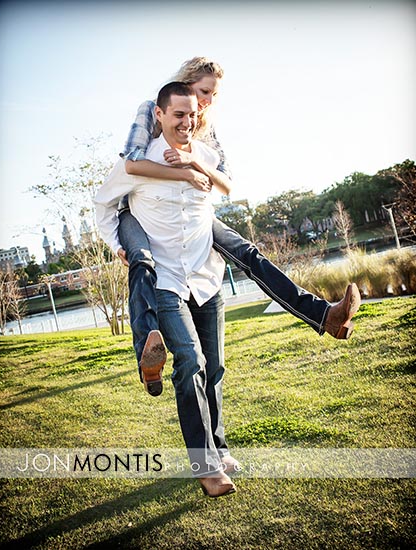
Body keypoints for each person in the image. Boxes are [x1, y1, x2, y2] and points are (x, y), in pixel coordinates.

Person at [98, 57, 361, 398]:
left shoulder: (205, 126)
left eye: (213, 95)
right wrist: (184, 174)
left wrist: (194, 162)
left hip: (193, 216)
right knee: (142, 261)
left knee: (248, 254)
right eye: (203, 91)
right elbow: (133, 163)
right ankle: (147, 354)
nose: (207, 102)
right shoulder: (154, 109)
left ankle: (324, 316)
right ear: (185, 85)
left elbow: (225, 182)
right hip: (135, 211)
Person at [96, 81, 237, 498]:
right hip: (166, 281)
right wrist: (120, 245)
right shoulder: (138, 163)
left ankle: (219, 448)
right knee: (190, 361)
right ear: (159, 115)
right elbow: (103, 204)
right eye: (178, 114)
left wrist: (198, 167)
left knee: (214, 368)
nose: (187, 122)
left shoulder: (205, 156)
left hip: (205, 278)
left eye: (192, 114)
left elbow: (224, 192)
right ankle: (206, 466)